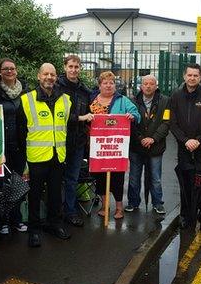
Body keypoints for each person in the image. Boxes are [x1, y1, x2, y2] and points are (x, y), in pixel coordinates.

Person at [17, 63, 78, 247]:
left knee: (55, 194)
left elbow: (67, 127)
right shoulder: (27, 99)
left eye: (52, 74)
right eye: (46, 74)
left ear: (56, 77)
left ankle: (55, 224)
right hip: (36, 158)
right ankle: (34, 230)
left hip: (58, 156)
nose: (49, 77)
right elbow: (20, 132)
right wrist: (25, 159)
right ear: (39, 76)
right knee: (34, 195)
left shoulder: (66, 100)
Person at [169, 63, 201, 231]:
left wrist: (198, 140)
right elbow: (172, 123)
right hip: (184, 149)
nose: (192, 78)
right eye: (189, 75)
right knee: (186, 184)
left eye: (196, 75)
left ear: (200, 77)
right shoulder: (175, 96)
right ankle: (186, 217)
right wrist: (185, 140)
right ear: (184, 76)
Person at [90, 71, 141, 219]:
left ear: (114, 85)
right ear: (99, 85)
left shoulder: (122, 100)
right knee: (100, 177)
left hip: (116, 147)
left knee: (117, 178)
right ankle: (105, 206)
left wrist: (132, 116)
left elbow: (135, 113)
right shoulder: (92, 98)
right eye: (105, 83)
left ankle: (119, 208)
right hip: (97, 146)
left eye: (111, 83)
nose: (108, 85)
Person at [56, 55, 93, 227]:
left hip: (77, 141)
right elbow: (56, 115)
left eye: (76, 67)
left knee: (72, 178)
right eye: (70, 66)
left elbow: (91, 114)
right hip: (58, 141)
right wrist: (80, 118)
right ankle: (55, 212)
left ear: (80, 69)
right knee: (55, 178)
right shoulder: (56, 87)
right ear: (65, 67)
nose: (73, 70)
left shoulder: (85, 91)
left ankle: (70, 212)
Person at [125, 75, 170, 214]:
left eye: (151, 83)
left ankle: (158, 203)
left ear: (156, 86)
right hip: (136, 147)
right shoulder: (132, 101)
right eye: (145, 83)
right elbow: (130, 123)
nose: (148, 86)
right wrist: (140, 138)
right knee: (134, 177)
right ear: (141, 86)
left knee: (155, 178)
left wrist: (153, 138)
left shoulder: (166, 101)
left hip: (156, 147)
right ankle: (133, 202)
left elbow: (166, 122)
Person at [0, 58, 29, 236]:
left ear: (16, 71)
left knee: (18, 184)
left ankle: (16, 219)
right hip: (2, 145)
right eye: (5, 69)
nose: (9, 71)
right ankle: (2, 221)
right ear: (0, 72)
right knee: (1, 186)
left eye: (12, 68)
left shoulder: (25, 92)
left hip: (20, 145)